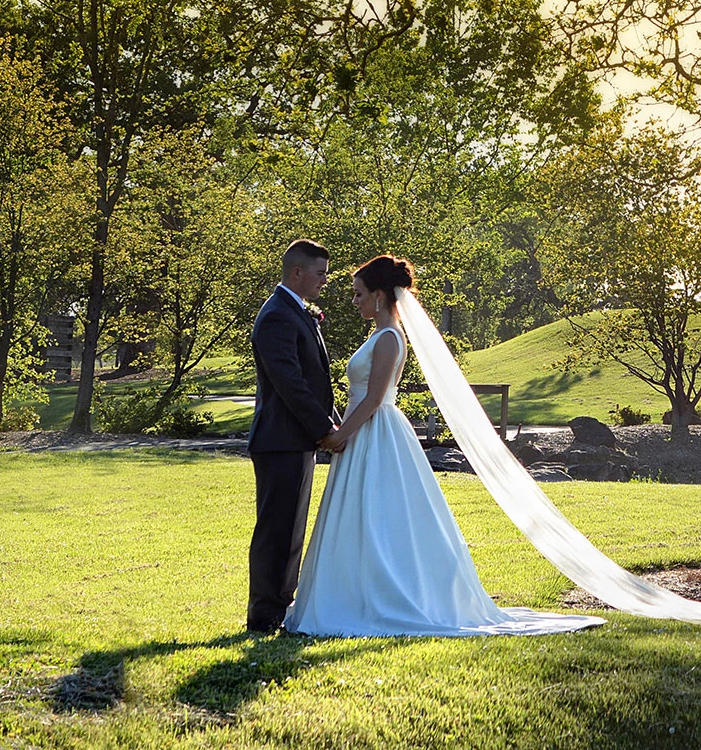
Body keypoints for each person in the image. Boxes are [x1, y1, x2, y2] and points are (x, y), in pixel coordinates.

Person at [283, 254, 604, 637]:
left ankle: (382, 595)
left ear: (381, 296)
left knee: (379, 513)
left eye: (359, 295)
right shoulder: (376, 335)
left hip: (375, 430)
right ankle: (354, 591)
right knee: (361, 514)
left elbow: (373, 399)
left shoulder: (388, 338)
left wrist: (340, 434)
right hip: (363, 431)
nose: (355, 302)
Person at [245, 238, 340, 634]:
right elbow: (290, 383)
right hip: (280, 439)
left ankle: (280, 609)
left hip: (294, 440)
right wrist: (324, 430)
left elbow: (315, 383)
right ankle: (264, 616)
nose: (324, 282)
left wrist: (336, 423)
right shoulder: (277, 317)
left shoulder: (295, 312)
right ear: (296, 272)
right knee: (276, 531)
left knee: (291, 531)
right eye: (320, 274)